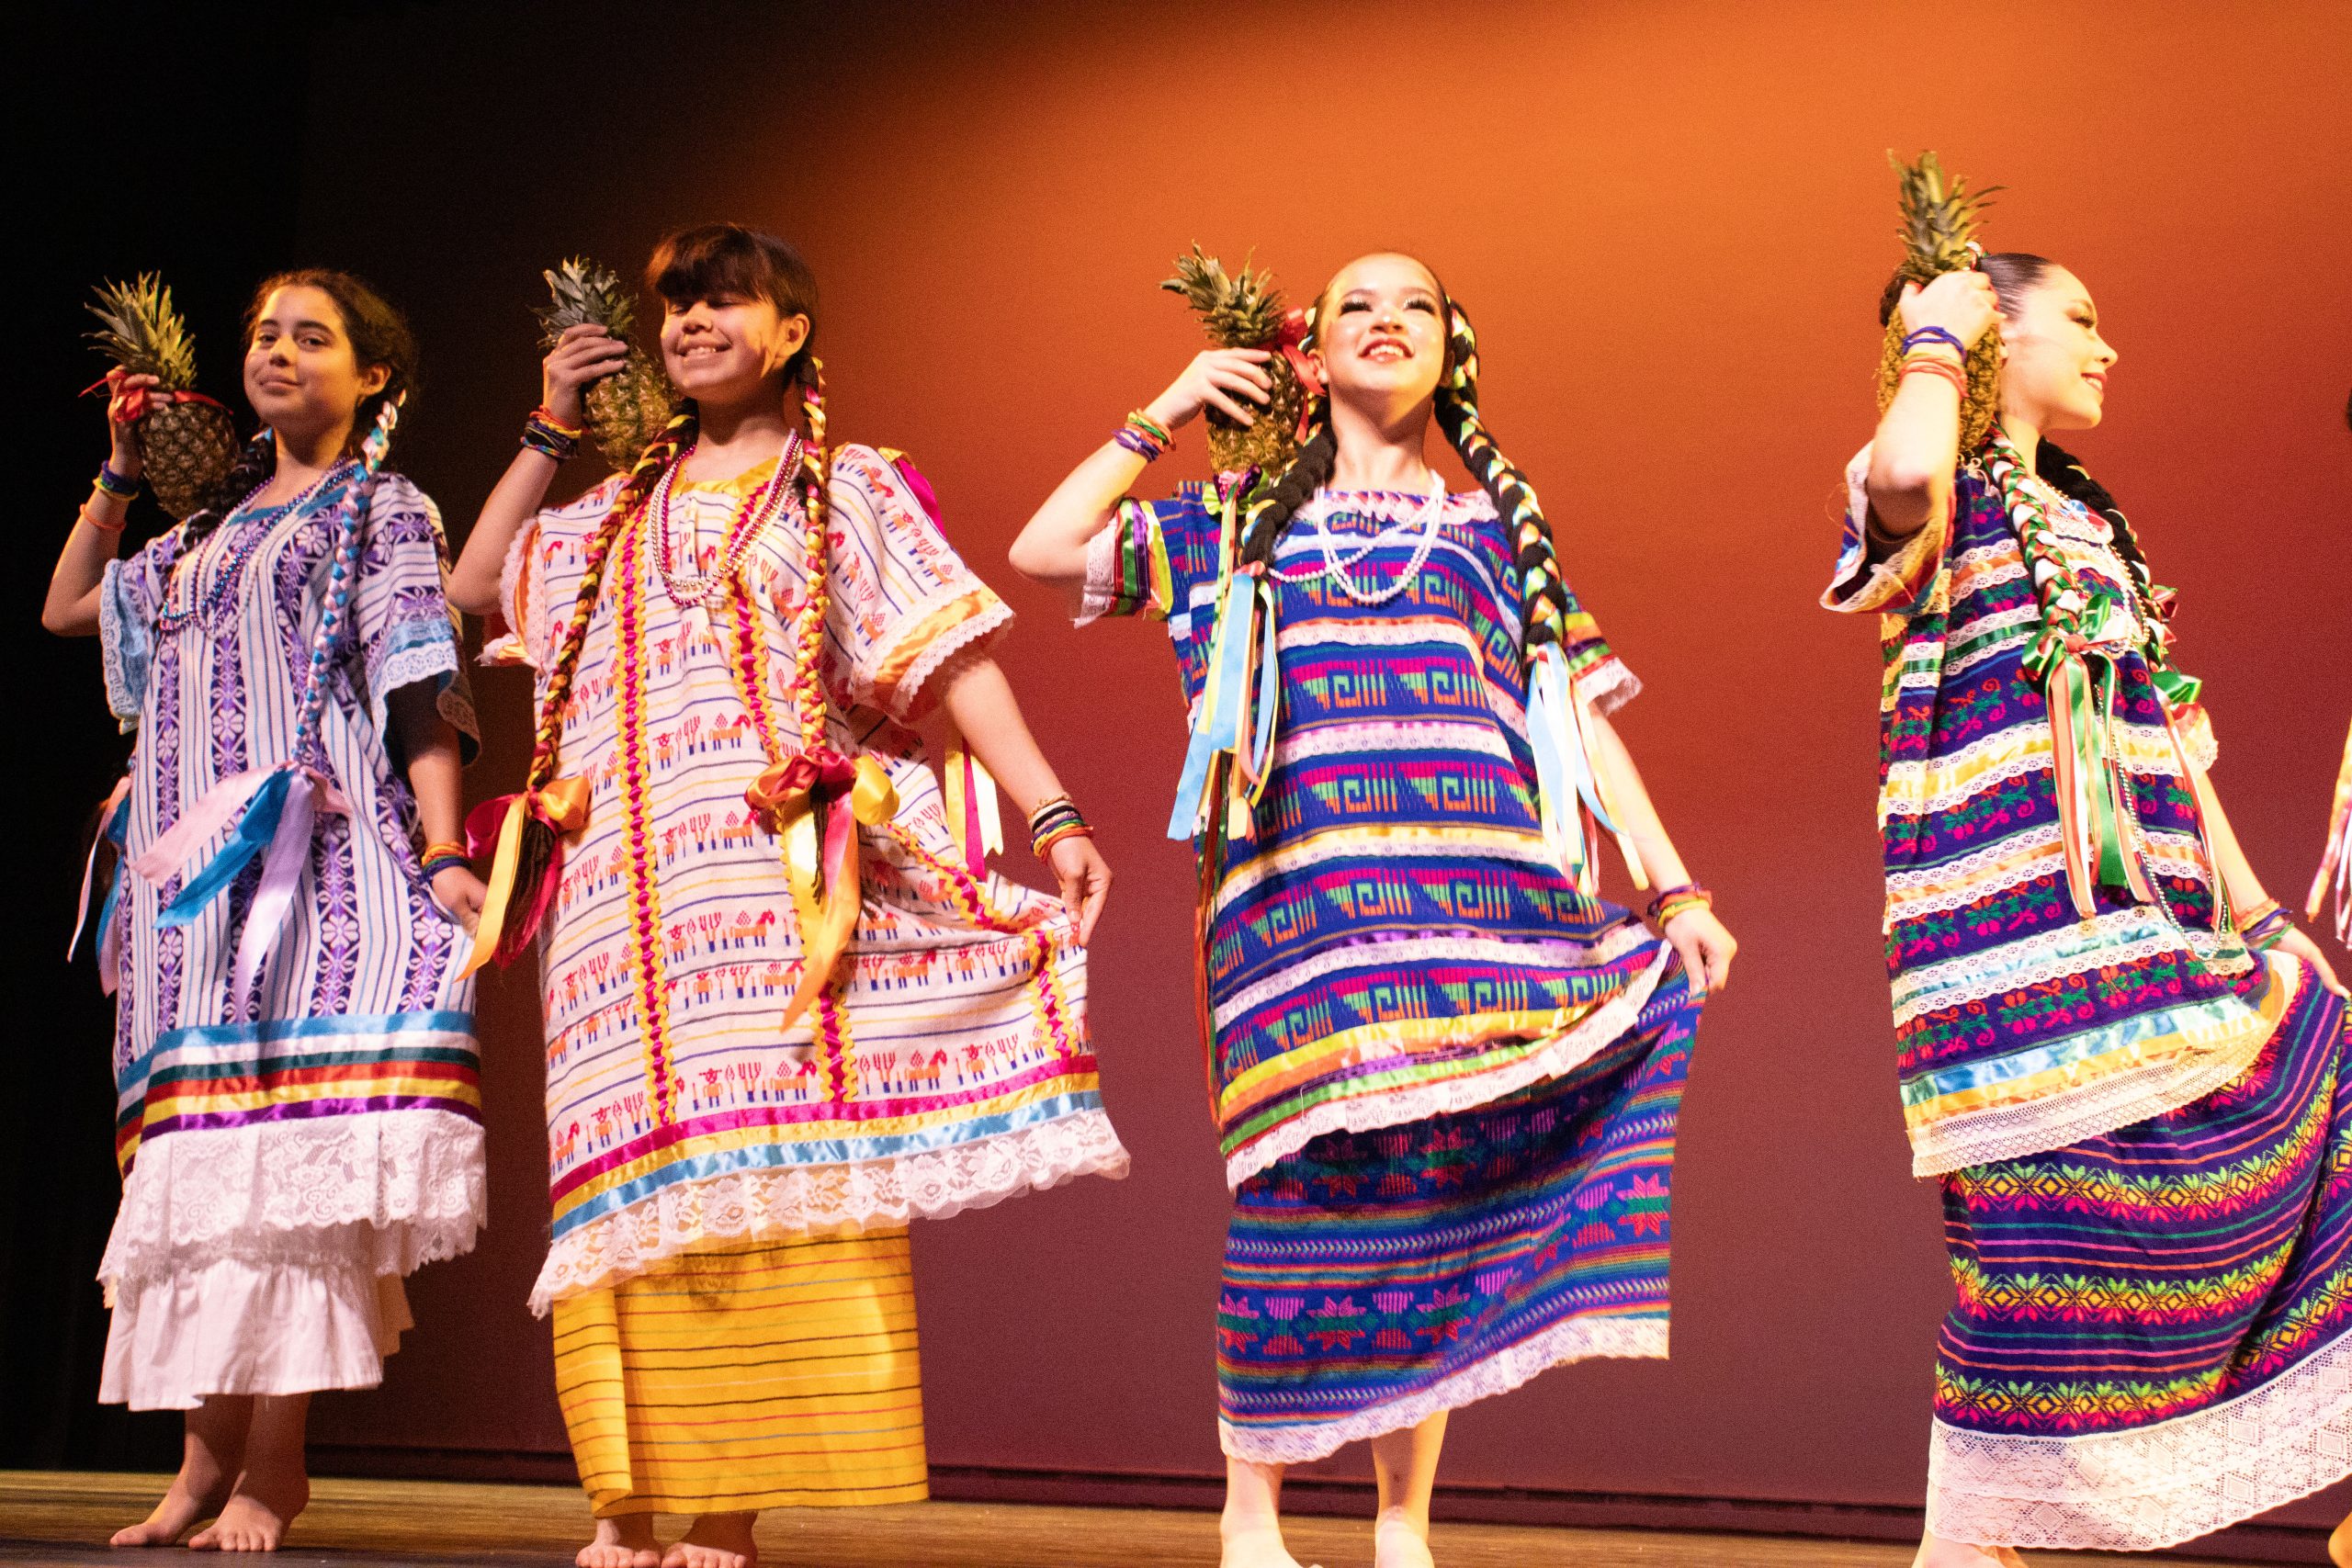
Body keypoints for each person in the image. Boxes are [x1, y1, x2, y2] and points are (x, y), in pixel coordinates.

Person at [1011, 251, 1734, 1568]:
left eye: (1417, 305)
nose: (1388, 319)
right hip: (1298, 911)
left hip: (1484, 906)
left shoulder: (1495, 533)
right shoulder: (1228, 522)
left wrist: (1672, 882)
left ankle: (1404, 1520)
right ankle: (1251, 1516)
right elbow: (1043, 549)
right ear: (1311, 351)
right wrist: (1168, 405)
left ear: (1454, 350)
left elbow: (1573, 713)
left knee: (1438, 1197)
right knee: (1300, 1195)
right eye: (1358, 301)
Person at [447, 223, 1127, 1568]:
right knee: (622, 1180)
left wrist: (1051, 811)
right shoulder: (607, 512)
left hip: (763, 895)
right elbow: (475, 586)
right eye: (677, 306)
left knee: (761, 1164)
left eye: (724, 301)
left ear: (792, 331)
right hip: (615, 913)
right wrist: (548, 423)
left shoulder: (843, 491)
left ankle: (725, 1507)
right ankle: (623, 1501)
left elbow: (950, 659)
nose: (693, 323)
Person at [1826, 253, 2351, 1564]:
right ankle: (1970, 1545)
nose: (2108, 349)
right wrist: (1935, 337)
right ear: (1994, 333)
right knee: (2039, 1245)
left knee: (2312, 1090)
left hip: (2147, 927)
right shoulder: (1933, 483)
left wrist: (2261, 915)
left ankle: (1971, 1547)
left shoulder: (2083, 523)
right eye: (2082, 320)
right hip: (2008, 939)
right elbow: (1903, 469)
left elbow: (2160, 737)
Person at [41, 271, 486, 1552]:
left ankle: (272, 1468)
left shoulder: (382, 508)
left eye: (312, 337)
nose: (278, 353)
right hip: (188, 893)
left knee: (291, 1163)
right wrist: (119, 475)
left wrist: (443, 848)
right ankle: (200, 1462)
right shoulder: (194, 536)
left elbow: (419, 687)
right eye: (263, 336)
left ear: (373, 376)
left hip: (318, 871)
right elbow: (69, 608)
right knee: (202, 1172)